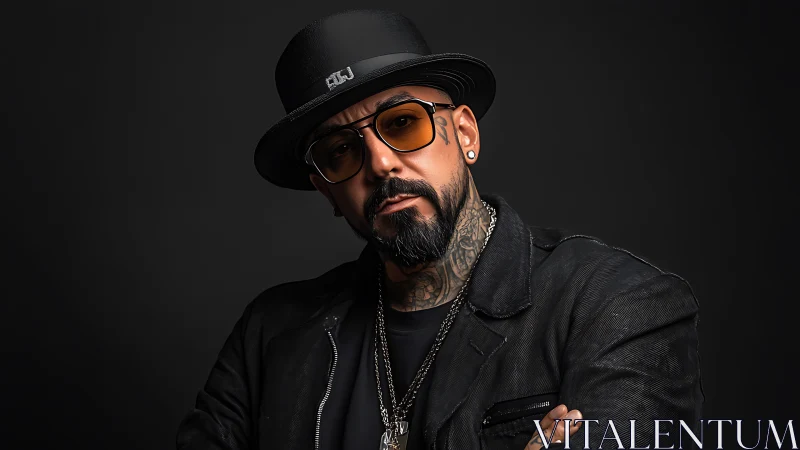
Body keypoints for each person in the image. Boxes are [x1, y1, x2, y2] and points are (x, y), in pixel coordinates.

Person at [176, 9, 704, 450]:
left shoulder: (617, 305)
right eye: (341, 151)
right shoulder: (269, 336)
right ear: (327, 191)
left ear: (466, 133)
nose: (380, 164)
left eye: (403, 122)